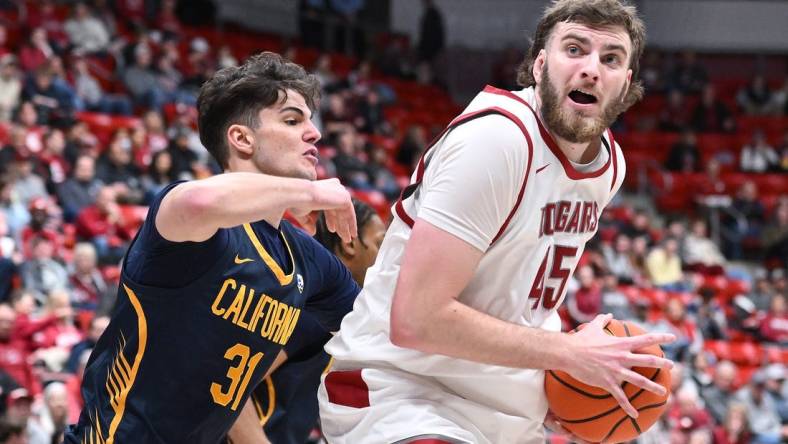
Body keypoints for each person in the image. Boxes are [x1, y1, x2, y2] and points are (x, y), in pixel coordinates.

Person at [318, 1, 675, 443]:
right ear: (540, 65)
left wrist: (565, 391)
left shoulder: (609, 166)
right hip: (405, 396)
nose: (591, 69)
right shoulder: (498, 140)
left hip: (506, 413)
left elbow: (517, 294)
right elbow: (415, 318)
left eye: (610, 58)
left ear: (626, 85)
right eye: (575, 49)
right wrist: (569, 353)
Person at [63, 52, 360, 444]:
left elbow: (376, 329)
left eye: (310, 119)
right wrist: (309, 191)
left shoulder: (307, 260)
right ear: (241, 139)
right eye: (292, 120)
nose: (314, 133)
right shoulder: (191, 223)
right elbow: (201, 202)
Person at [245, 199, 386, 444]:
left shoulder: (343, 309)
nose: (386, 256)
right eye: (380, 244)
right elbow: (234, 387)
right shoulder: (314, 310)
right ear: (350, 244)